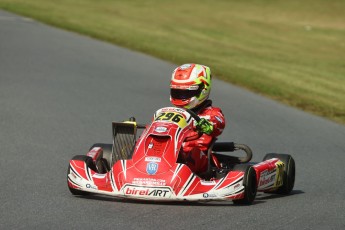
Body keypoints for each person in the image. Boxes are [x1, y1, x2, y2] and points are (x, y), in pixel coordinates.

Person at [170, 63, 226, 174]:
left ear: (203, 89)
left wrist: (207, 125)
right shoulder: (171, 113)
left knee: (192, 153)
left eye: (186, 93)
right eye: (177, 92)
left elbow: (218, 124)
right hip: (171, 155)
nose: (181, 97)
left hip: (200, 160)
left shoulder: (211, 113)